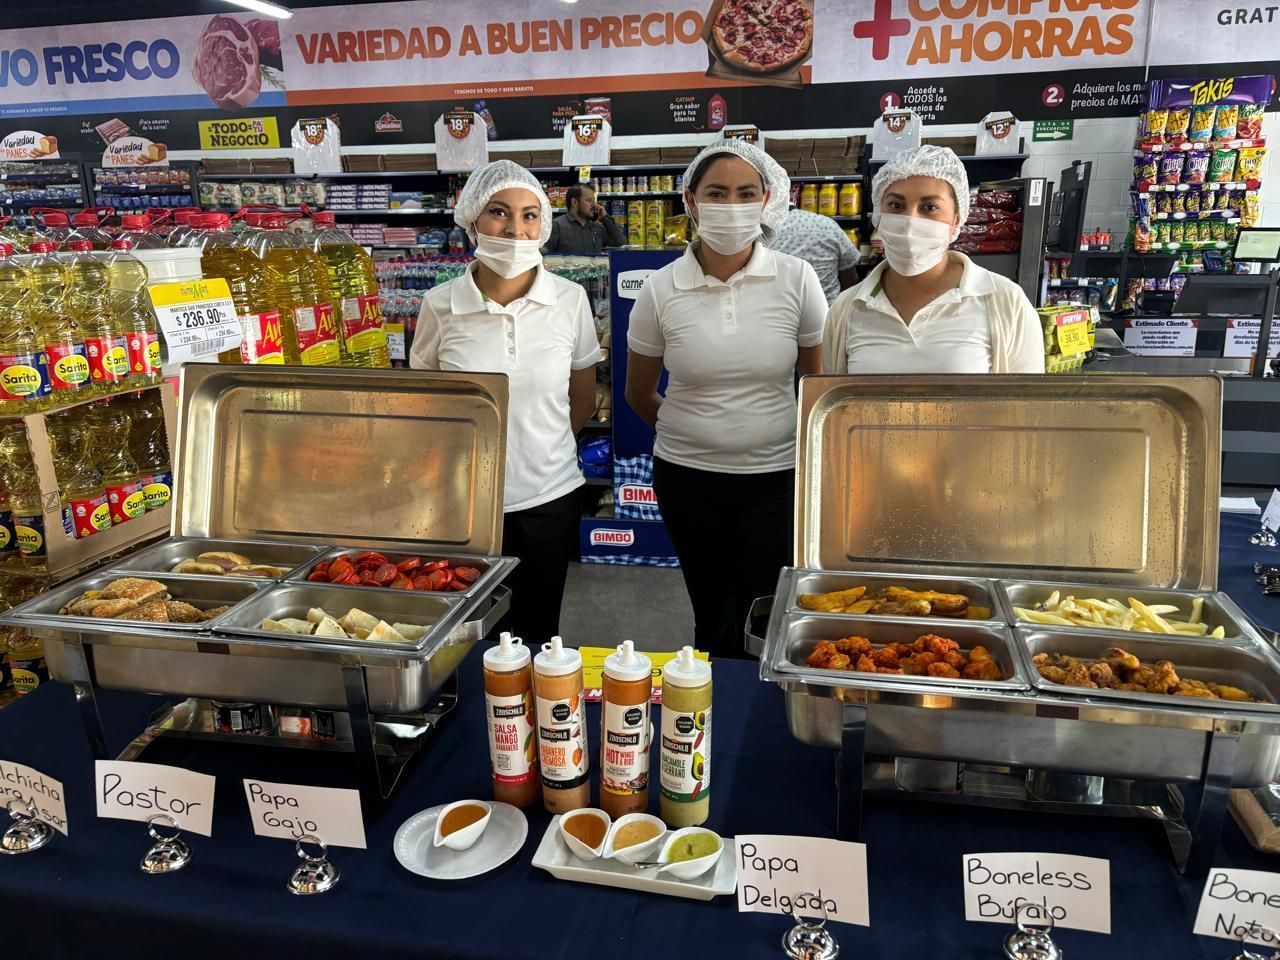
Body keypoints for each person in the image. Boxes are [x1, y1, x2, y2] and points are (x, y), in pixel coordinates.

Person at [624, 139, 827, 659]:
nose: (731, 205)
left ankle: (764, 719)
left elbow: (815, 386)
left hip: (776, 480)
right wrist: (692, 431)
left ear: (766, 200)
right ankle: (709, 715)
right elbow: (638, 391)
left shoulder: (797, 279)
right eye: (716, 192)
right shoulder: (661, 288)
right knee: (711, 609)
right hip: (688, 480)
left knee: (766, 608)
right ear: (690, 201)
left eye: (745, 193)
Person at [411, 160, 601, 644]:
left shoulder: (570, 299)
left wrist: (538, 443)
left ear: (545, 224)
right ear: (473, 218)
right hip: (465, 504)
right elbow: (426, 407)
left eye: (530, 215)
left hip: (549, 496)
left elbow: (580, 397)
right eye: (499, 212)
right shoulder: (439, 304)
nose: (516, 228)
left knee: (539, 632)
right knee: (468, 635)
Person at [824, 144, 1044, 374]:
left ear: (957, 219)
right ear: (879, 215)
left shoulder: (1004, 301)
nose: (910, 220)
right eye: (896, 205)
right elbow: (835, 403)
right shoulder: (847, 308)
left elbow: (1026, 406)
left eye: (930, 207)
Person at [772, 205, 860, 304]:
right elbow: (850, 276)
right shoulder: (828, 225)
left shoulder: (768, 229)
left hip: (781, 310)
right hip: (828, 312)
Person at [543, 184, 625, 254]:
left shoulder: (597, 229)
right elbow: (544, 256)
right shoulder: (557, 226)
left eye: (594, 201)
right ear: (575, 202)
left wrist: (605, 218)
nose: (594, 205)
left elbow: (619, 241)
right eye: (589, 200)